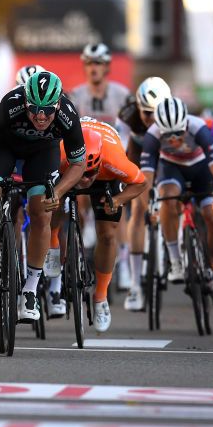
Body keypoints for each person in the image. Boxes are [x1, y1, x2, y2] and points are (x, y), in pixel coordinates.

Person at [0, 71, 86, 321]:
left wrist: (58, 192)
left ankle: (30, 289)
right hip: (4, 147)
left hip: (42, 153)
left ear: (58, 104)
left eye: (47, 111)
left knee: (41, 212)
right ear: (25, 101)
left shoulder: (68, 116)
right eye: (34, 108)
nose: (40, 116)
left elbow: (78, 164)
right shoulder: (11, 103)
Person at [45, 118, 147, 332]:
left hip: (107, 172)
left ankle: (100, 297)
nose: (85, 180)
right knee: (53, 201)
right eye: (83, 174)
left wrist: (118, 201)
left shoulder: (115, 160)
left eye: (90, 174)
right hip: (70, 165)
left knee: (108, 234)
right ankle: (53, 240)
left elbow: (141, 183)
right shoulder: (60, 154)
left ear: (99, 164)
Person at [140, 96, 213, 306]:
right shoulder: (152, 135)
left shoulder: (199, 128)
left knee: (212, 215)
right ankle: (176, 261)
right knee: (167, 199)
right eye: (167, 135)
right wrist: (149, 205)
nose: (173, 140)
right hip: (172, 169)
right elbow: (147, 175)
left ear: (186, 124)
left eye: (178, 133)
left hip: (201, 170)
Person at [70, 42, 134, 291]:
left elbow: (130, 131)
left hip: (114, 155)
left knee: (120, 211)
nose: (93, 68)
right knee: (80, 179)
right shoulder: (77, 95)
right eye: (88, 63)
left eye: (97, 63)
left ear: (107, 67)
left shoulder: (121, 94)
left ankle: (126, 265)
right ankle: (86, 220)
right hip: (87, 158)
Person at [118, 76, 172, 312]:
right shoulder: (128, 116)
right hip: (138, 155)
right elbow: (123, 152)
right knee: (139, 208)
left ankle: (174, 243)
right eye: (146, 112)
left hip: (167, 156)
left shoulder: (173, 113)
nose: (151, 119)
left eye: (155, 113)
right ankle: (135, 283)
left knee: (172, 199)